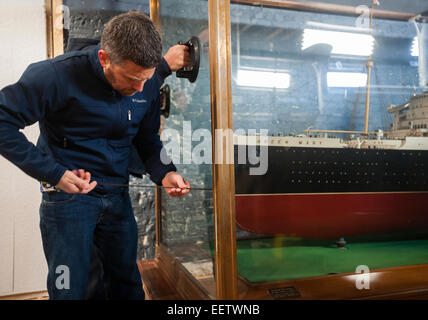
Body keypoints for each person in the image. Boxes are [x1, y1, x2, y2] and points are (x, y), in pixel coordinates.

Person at [0, 10, 190, 299]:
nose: (139, 89)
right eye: (131, 79)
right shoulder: (53, 75)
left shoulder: (146, 81)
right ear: (104, 58)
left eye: (146, 79)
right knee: (69, 289)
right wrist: (54, 173)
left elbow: (148, 139)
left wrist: (167, 172)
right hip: (67, 198)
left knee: (126, 283)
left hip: (117, 197)